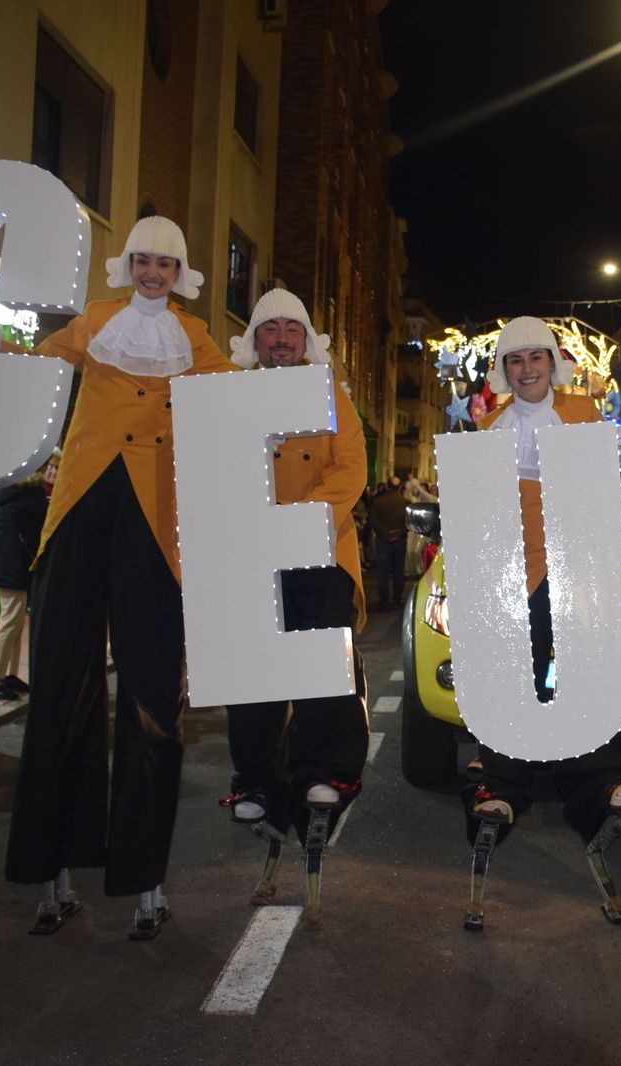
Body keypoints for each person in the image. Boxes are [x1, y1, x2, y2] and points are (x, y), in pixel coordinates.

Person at [3, 216, 233, 938]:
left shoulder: (196, 340)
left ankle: (145, 879)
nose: (153, 272)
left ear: (180, 271)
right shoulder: (95, 321)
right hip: (79, 507)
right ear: (126, 263)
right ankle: (52, 866)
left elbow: (234, 405)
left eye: (166, 262)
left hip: (154, 524)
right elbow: (36, 370)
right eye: (143, 259)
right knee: (61, 689)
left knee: (150, 699)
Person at [465, 316, 621, 837]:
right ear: (503, 370)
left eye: (535, 358)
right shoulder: (486, 429)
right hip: (511, 570)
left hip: (575, 564)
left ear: (552, 364)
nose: (526, 370)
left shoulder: (585, 414)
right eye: (515, 361)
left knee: (588, 670)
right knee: (507, 678)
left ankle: (607, 776)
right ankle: (503, 786)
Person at [220, 288, 370, 839]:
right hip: (252, 551)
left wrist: (296, 519)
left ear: (306, 339)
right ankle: (255, 780)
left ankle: (322, 770)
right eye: (270, 328)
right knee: (253, 669)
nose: (281, 338)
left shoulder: (331, 394)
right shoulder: (232, 394)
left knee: (322, 665)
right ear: (255, 338)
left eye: (291, 329)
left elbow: (351, 467)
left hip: (320, 547)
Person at [0, 468, 48, 701]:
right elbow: (46, 519)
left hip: (4, 562)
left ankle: (8, 675)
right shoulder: (31, 494)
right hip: (17, 564)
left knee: (15, 621)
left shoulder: (1, 493)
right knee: (10, 621)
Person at [366, 476, 407, 609]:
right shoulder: (406, 502)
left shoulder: (377, 502)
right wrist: (398, 533)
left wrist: (385, 533)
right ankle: (397, 598)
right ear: (400, 487)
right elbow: (408, 522)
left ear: (387, 486)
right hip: (400, 541)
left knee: (383, 571)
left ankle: (384, 599)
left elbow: (373, 521)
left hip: (383, 541)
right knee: (398, 570)